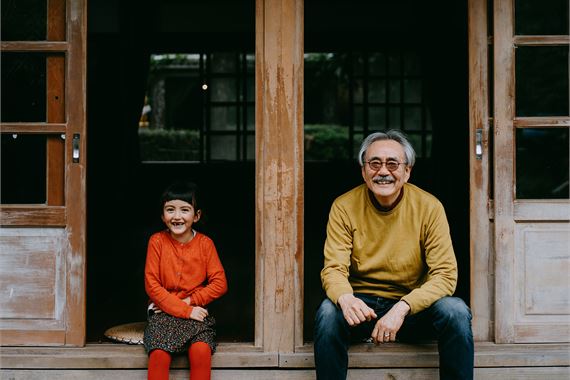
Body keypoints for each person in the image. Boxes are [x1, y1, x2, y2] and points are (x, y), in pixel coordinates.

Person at [314, 130, 474, 380]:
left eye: (392, 164)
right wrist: (345, 299)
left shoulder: (429, 207)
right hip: (362, 308)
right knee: (327, 313)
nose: (383, 172)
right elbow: (333, 268)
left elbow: (445, 275)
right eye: (374, 163)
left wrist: (402, 308)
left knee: (455, 311)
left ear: (407, 171)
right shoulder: (343, 206)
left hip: (411, 309)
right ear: (363, 171)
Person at [144, 181, 228, 380]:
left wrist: (190, 303)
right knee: (158, 354)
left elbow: (220, 283)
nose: (177, 216)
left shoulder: (205, 244)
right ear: (163, 216)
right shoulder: (156, 241)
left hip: (196, 314)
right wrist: (184, 310)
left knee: (201, 351)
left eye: (185, 210)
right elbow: (152, 285)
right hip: (164, 315)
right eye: (170, 210)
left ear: (196, 216)